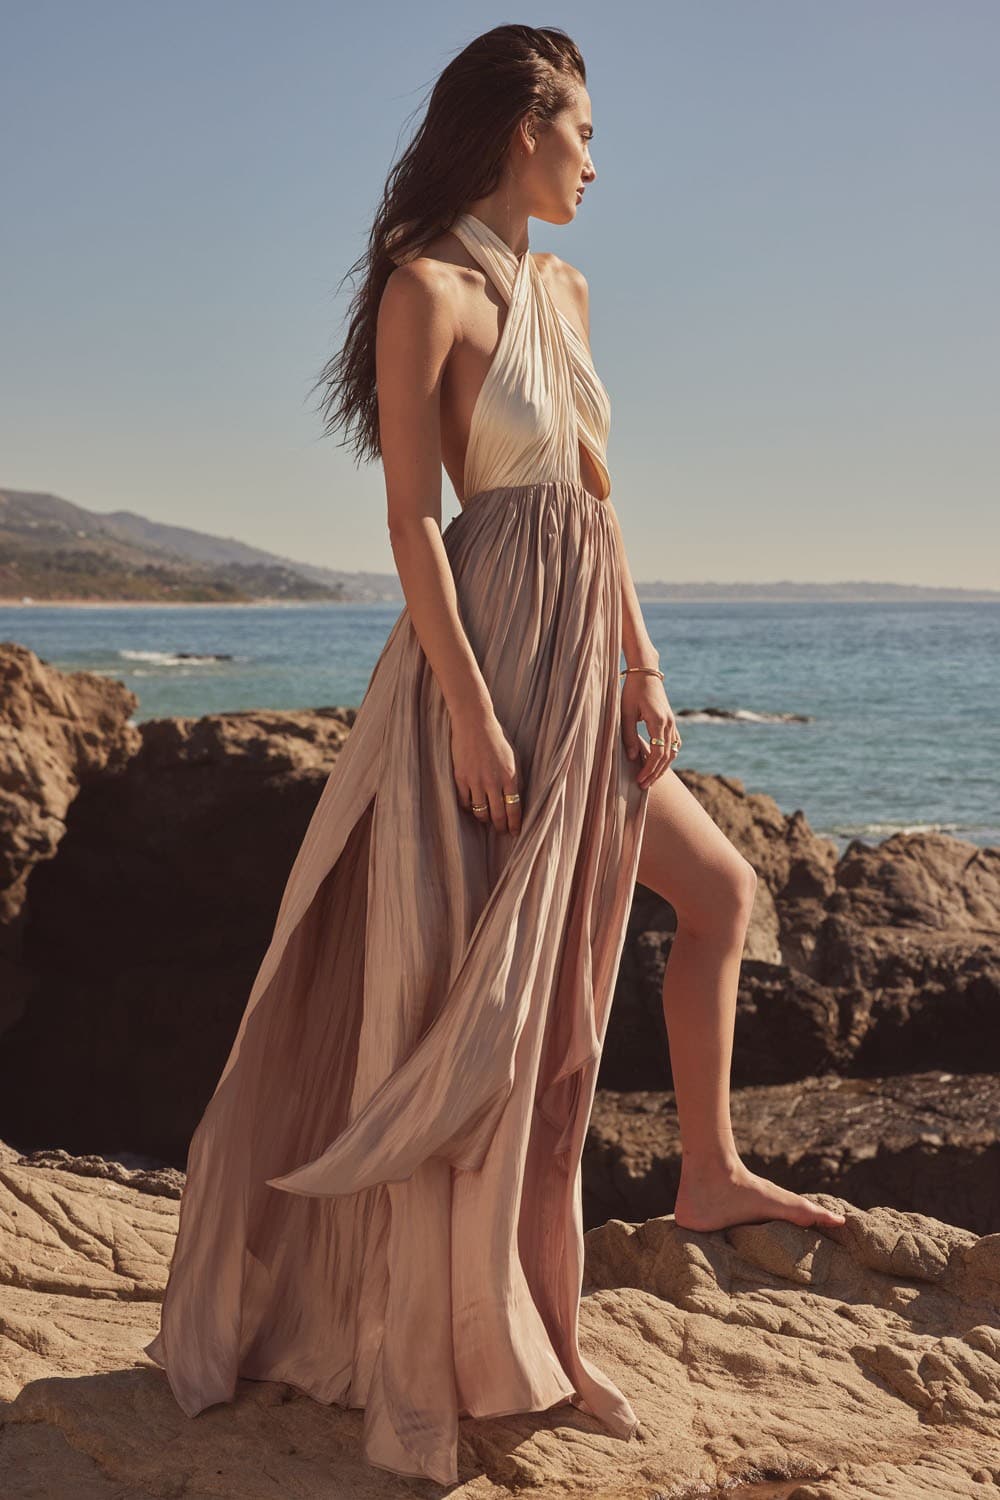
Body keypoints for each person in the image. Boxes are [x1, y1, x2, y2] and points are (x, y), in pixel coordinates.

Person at [144, 23, 845, 1486]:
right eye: (583, 129)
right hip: (497, 665)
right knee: (509, 1020)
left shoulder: (566, 289)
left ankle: (707, 1173)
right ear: (523, 127)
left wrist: (647, 662)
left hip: (593, 658)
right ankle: (514, 1339)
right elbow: (412, 520)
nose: (597, 157)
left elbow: (599, 494)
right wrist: (468, 710)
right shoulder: (429, 289)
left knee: (713, 900)